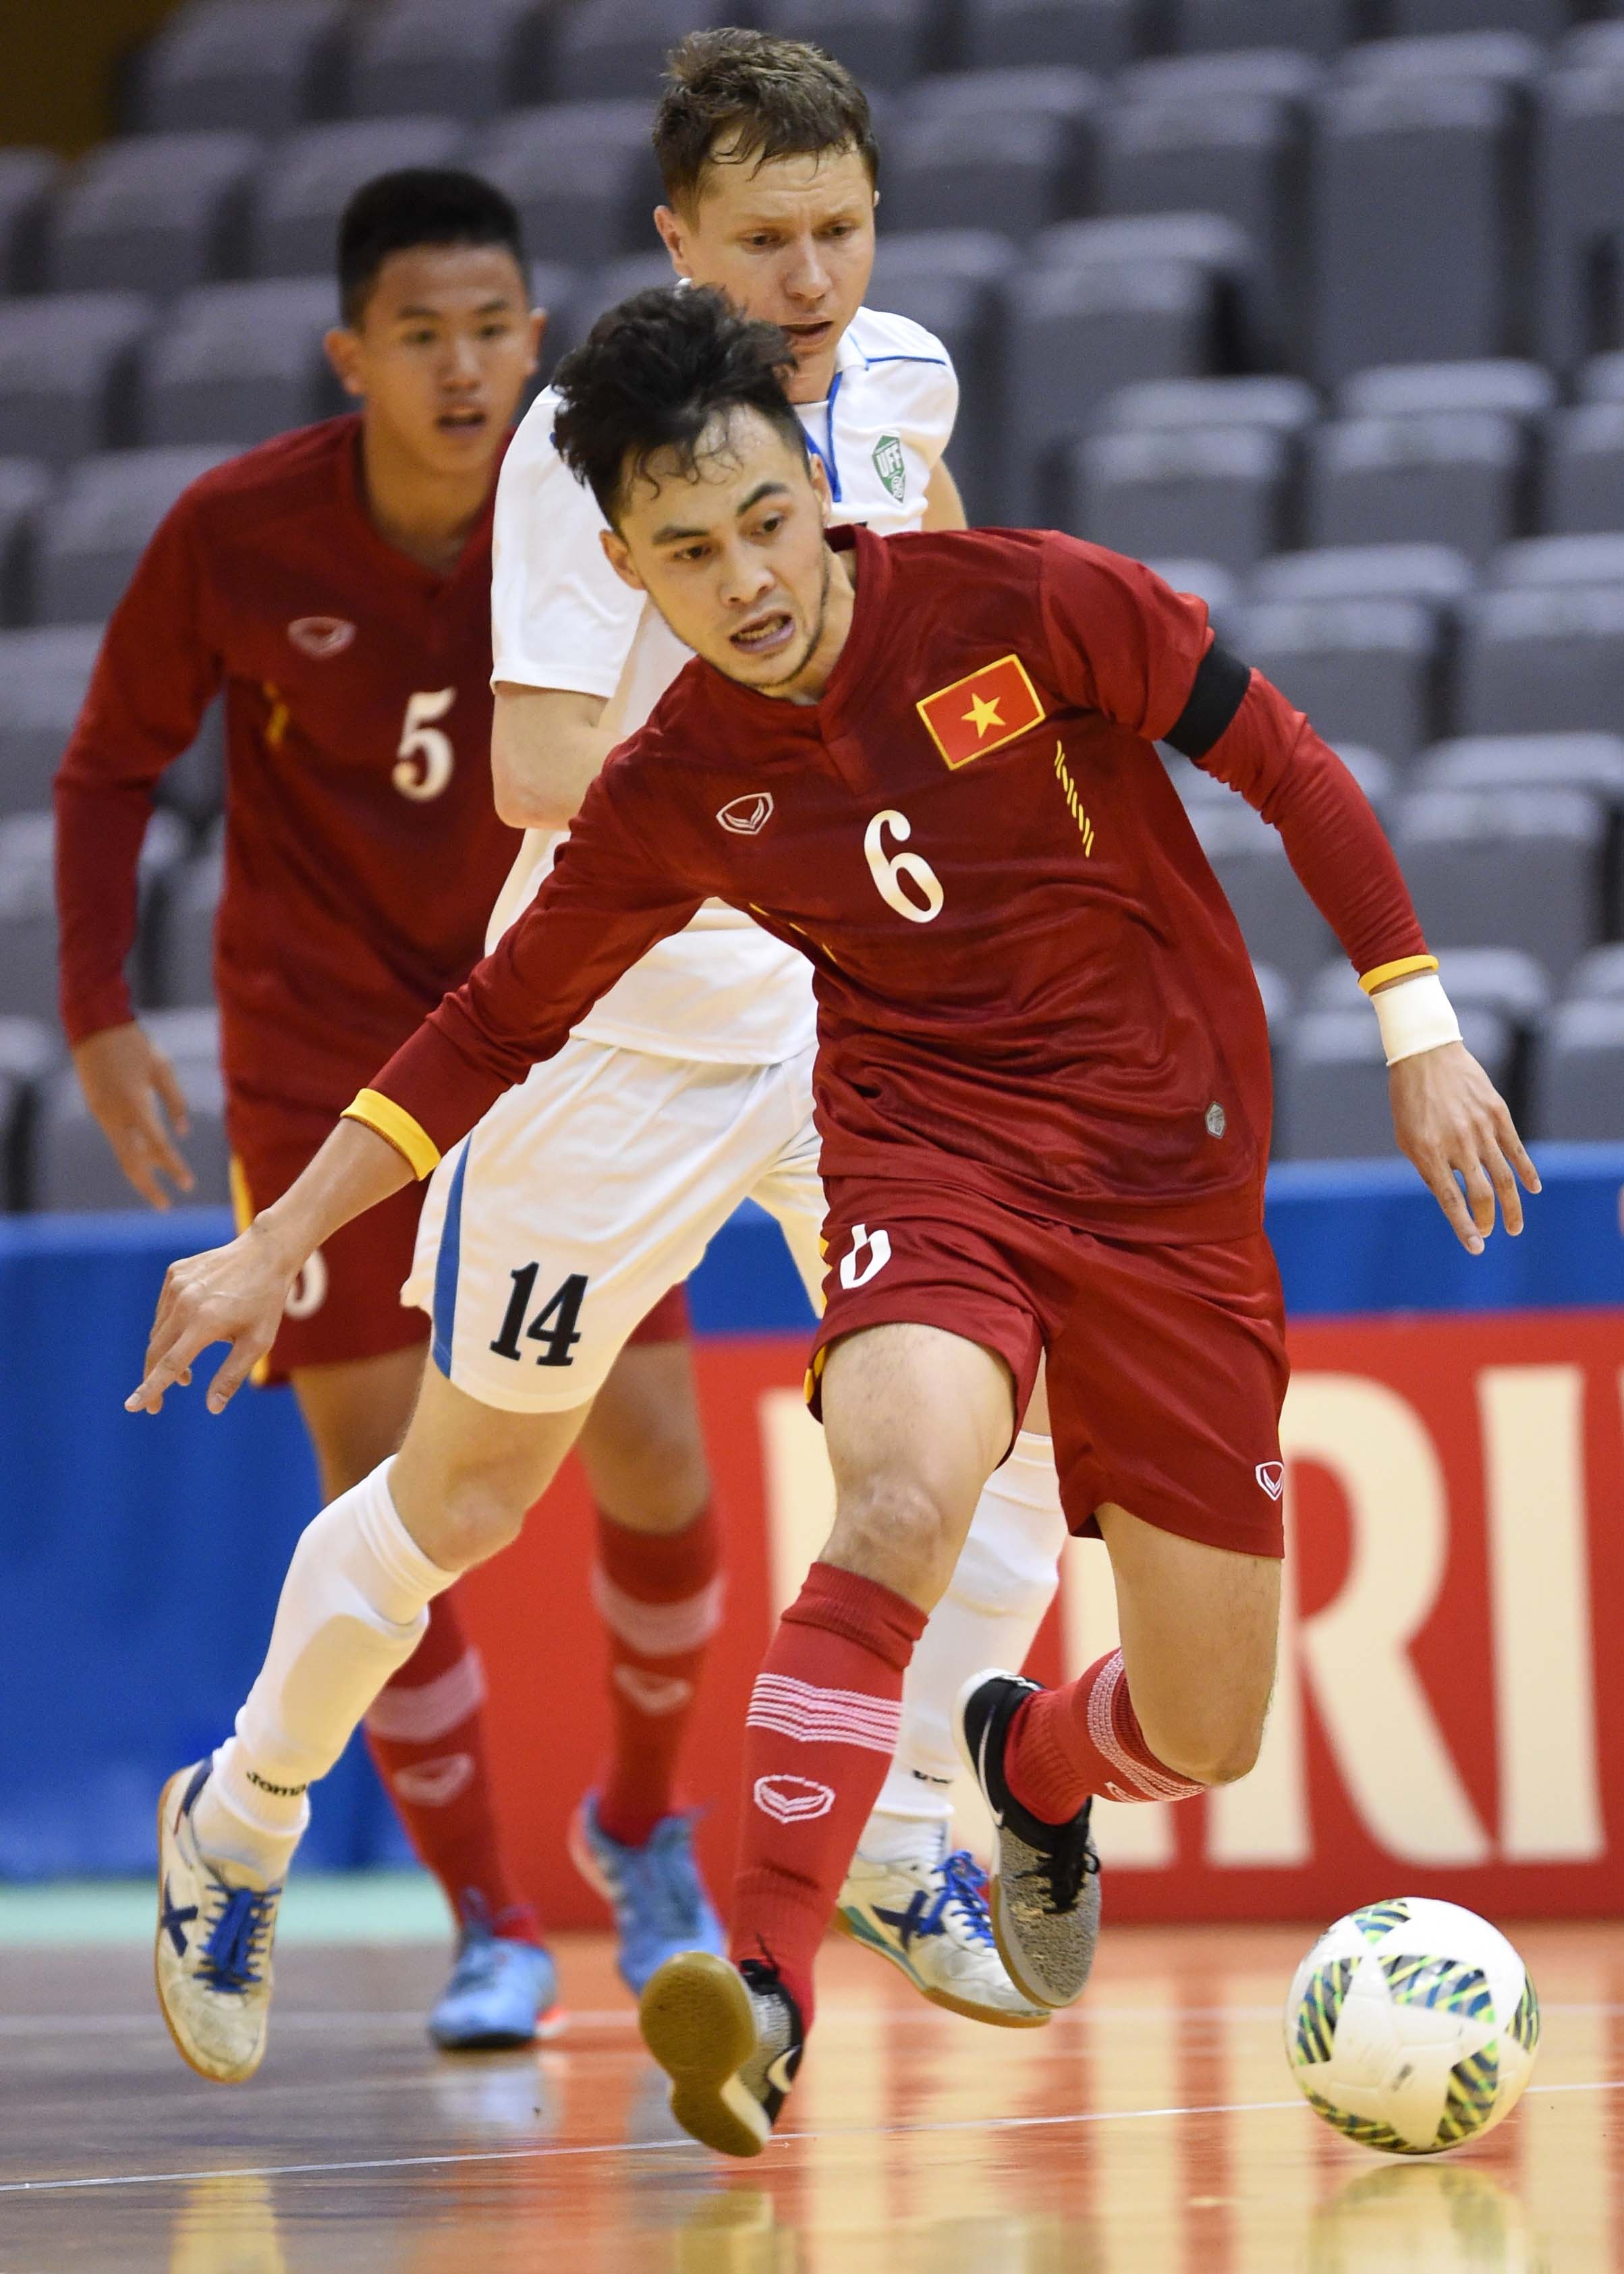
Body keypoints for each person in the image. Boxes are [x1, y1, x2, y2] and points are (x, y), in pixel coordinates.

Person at [128, 284, 1540, 2132]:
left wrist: (1417, 1023)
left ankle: (1023, 1762)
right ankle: (768, 1978)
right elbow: (491, 1021)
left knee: (1205, 1726)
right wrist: (277, 1235)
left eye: (769, 523)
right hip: (910, 1142)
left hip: (1161, 1178)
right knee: (887, 1485)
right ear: (633, 568)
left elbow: (1281, 757)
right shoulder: (677, 779)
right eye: (692, 555)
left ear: (822, 479)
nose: (748, 581)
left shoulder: (1029, 601)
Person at [55, 169, 567, 2053]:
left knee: (659, 1465)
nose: (462, 367)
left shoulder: (585, 513)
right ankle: (495, 1922)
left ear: (537, 333)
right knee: (391, 1491)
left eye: (492, 327)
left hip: (550, 1024)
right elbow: (111, 762)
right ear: (352, 356)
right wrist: (100, 1012)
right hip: (326, 1044)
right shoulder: (239, 528)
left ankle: (652, 1840)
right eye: (419, 335)